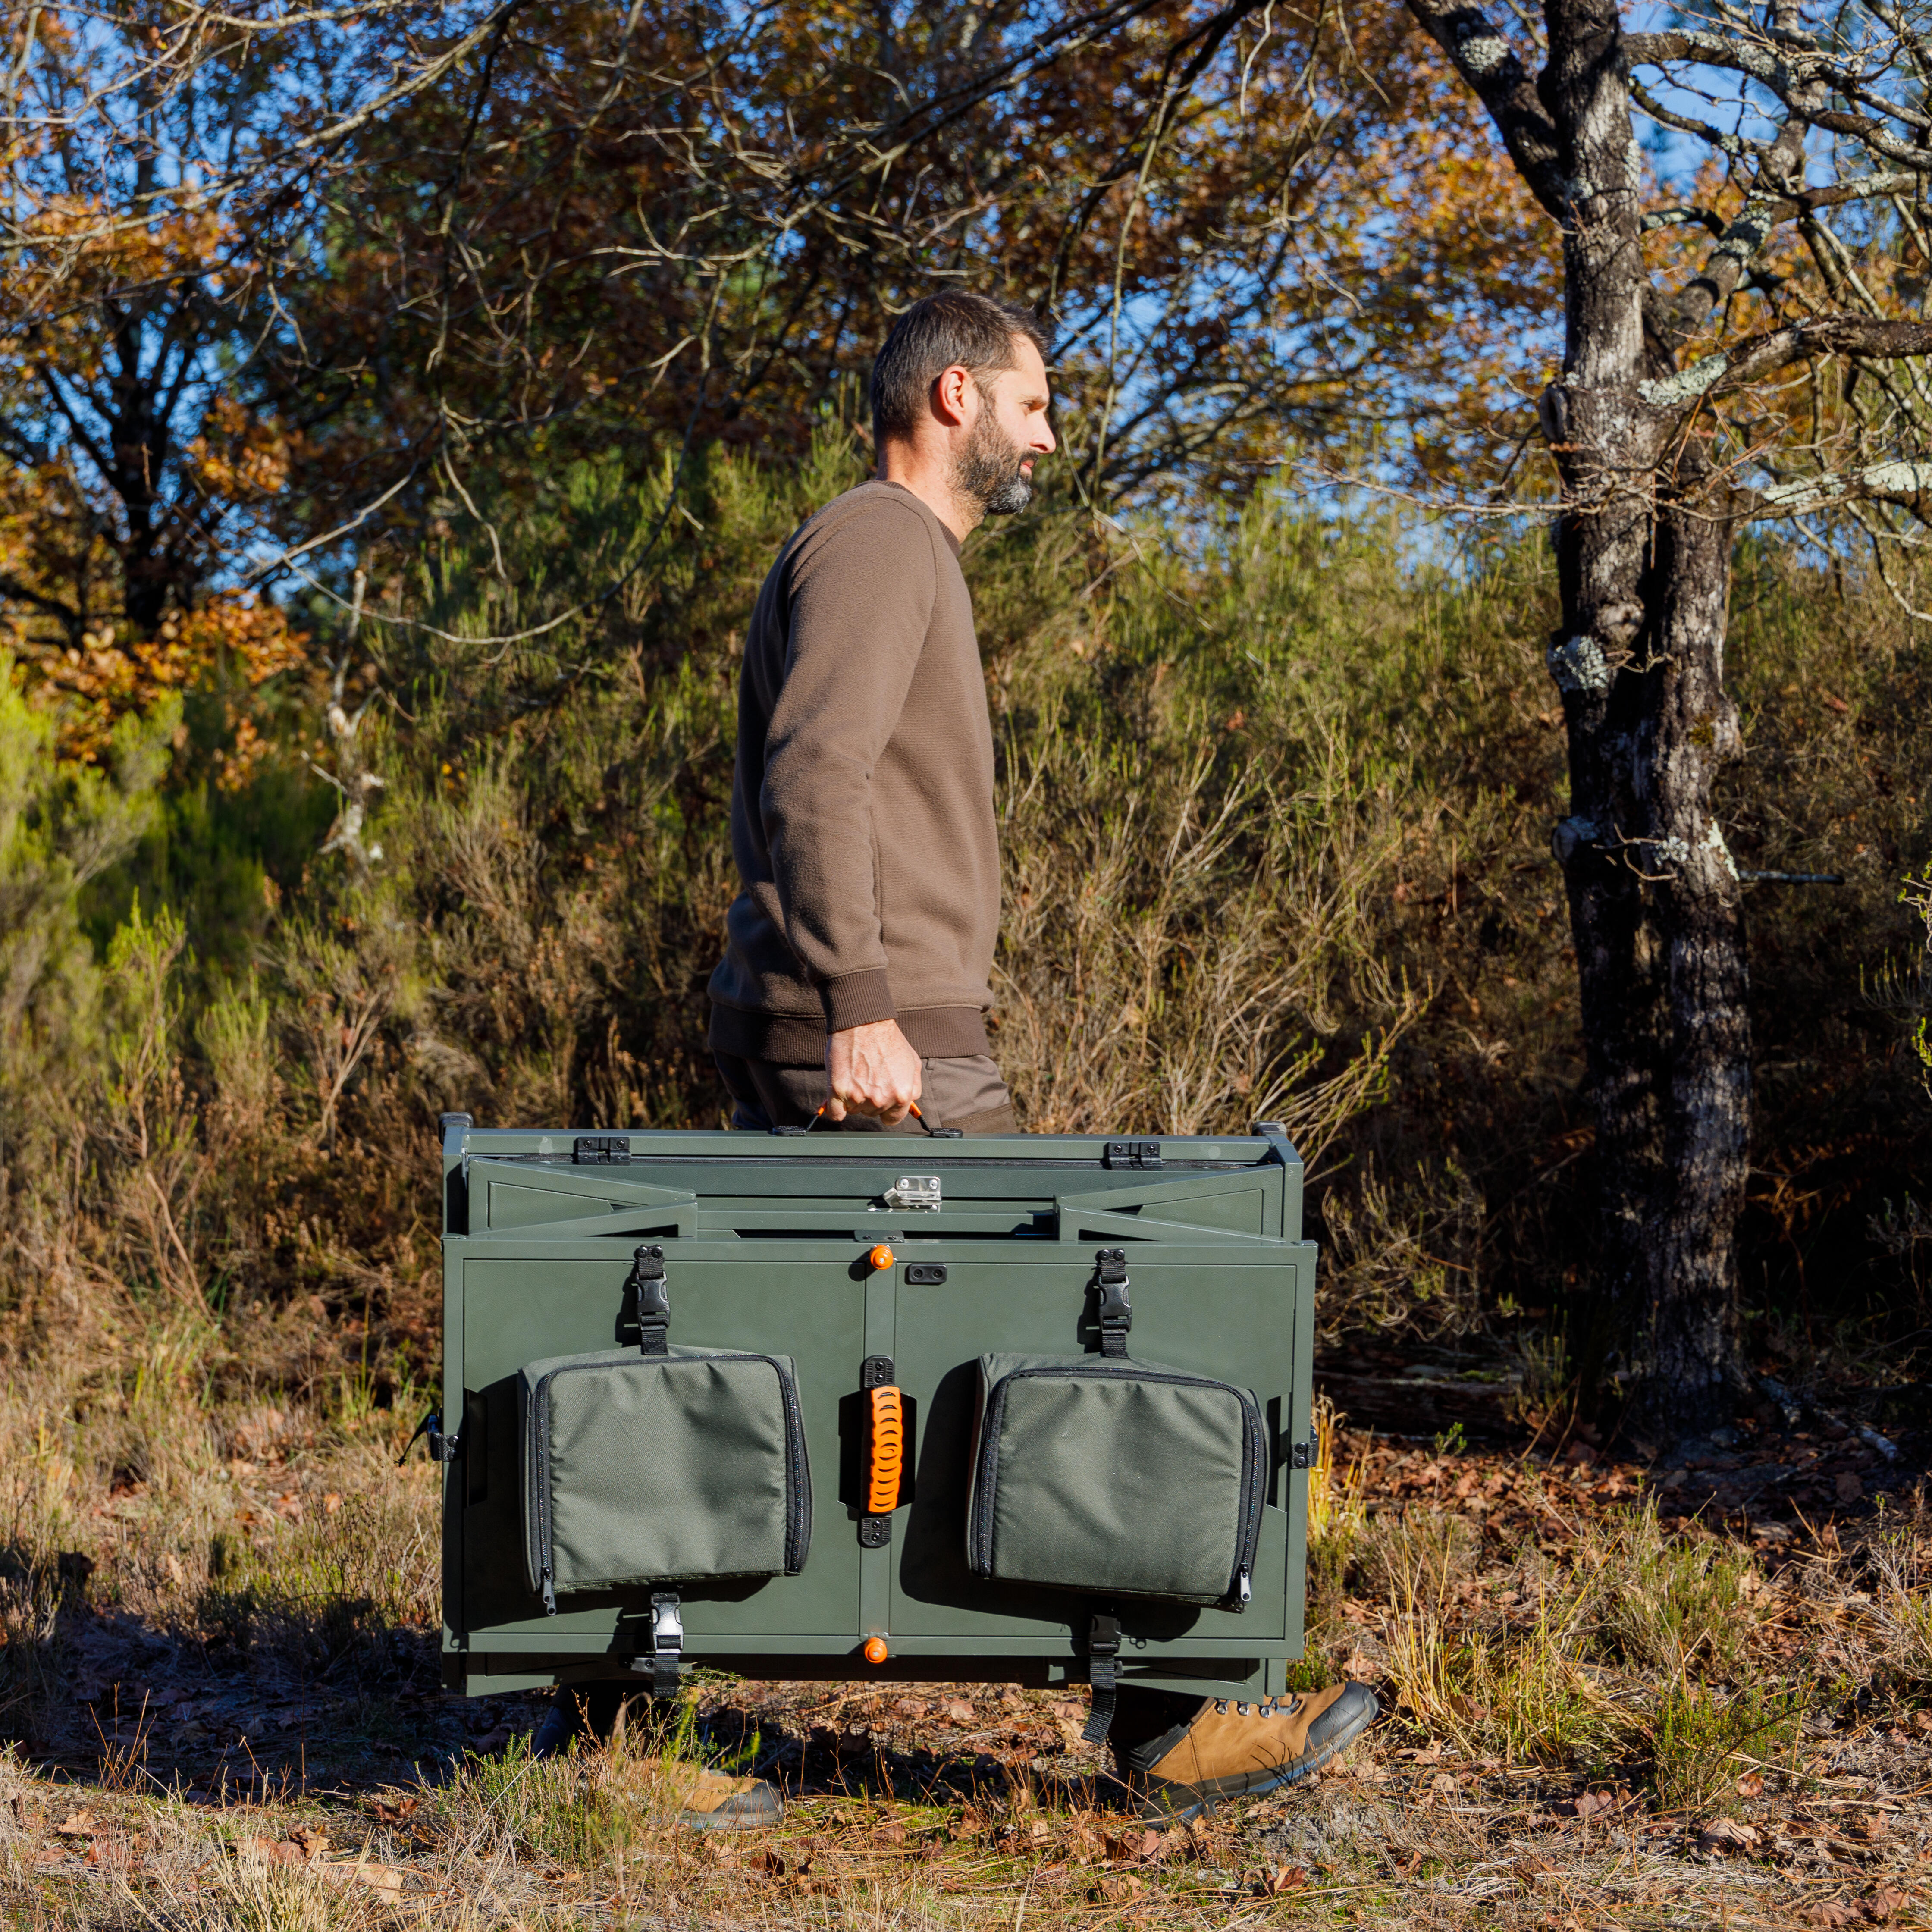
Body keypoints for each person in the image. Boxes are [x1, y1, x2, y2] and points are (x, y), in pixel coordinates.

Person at [704, 289, 1379, 1819]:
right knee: (1062, 1336)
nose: (1049, 435)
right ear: (955, 396)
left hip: (870, 1020)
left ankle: (618, 1702)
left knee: (814, 1357)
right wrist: (860, 999)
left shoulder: (889, 552)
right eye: (1036, 402)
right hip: (873, 1036)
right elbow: (817, 770)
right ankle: (1173, 1725)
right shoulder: (883, 541)